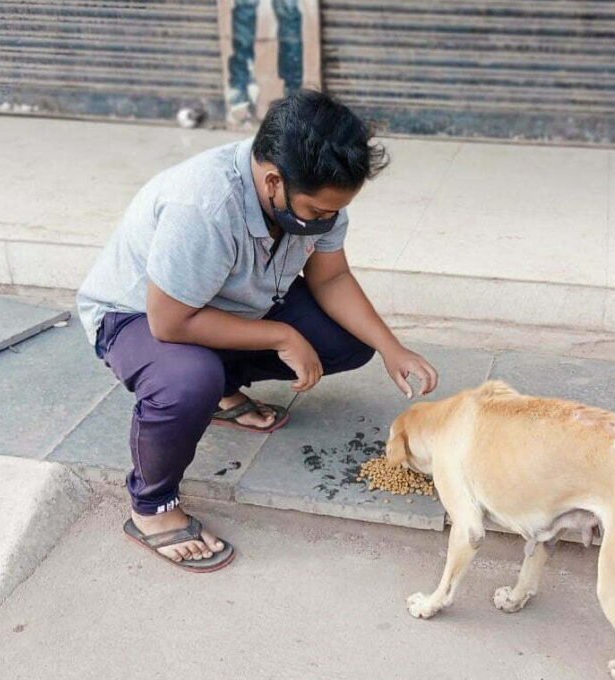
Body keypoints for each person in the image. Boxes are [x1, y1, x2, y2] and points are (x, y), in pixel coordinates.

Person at [77, 89, 439, 572]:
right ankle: (152, 506)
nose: (326, 221)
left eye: (335, 211)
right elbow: (170, 321)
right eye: (316, 212)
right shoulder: (204, 205)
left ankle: (222, 391)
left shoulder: (317, 193)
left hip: (232, 304)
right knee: (187, 381)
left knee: (350, 341)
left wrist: (393, 348)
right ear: (273, 182)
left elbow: (330, 277)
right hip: (140, 317)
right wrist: (282, 337)